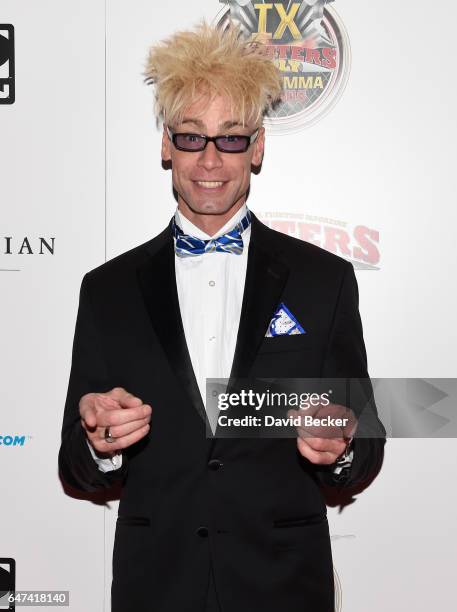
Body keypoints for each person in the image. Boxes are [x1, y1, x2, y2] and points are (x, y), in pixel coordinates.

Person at [58, 21, 385, 612]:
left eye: (231, 139)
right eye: (191, 137)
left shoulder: (324, 280)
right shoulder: (106, 290)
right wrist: (99, 442)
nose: (211, 160)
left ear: (258, 147)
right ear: (165, 144)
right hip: (156, 586)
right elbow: (76, 466)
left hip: (283, 585)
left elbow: (366, 436)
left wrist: (342, 442)